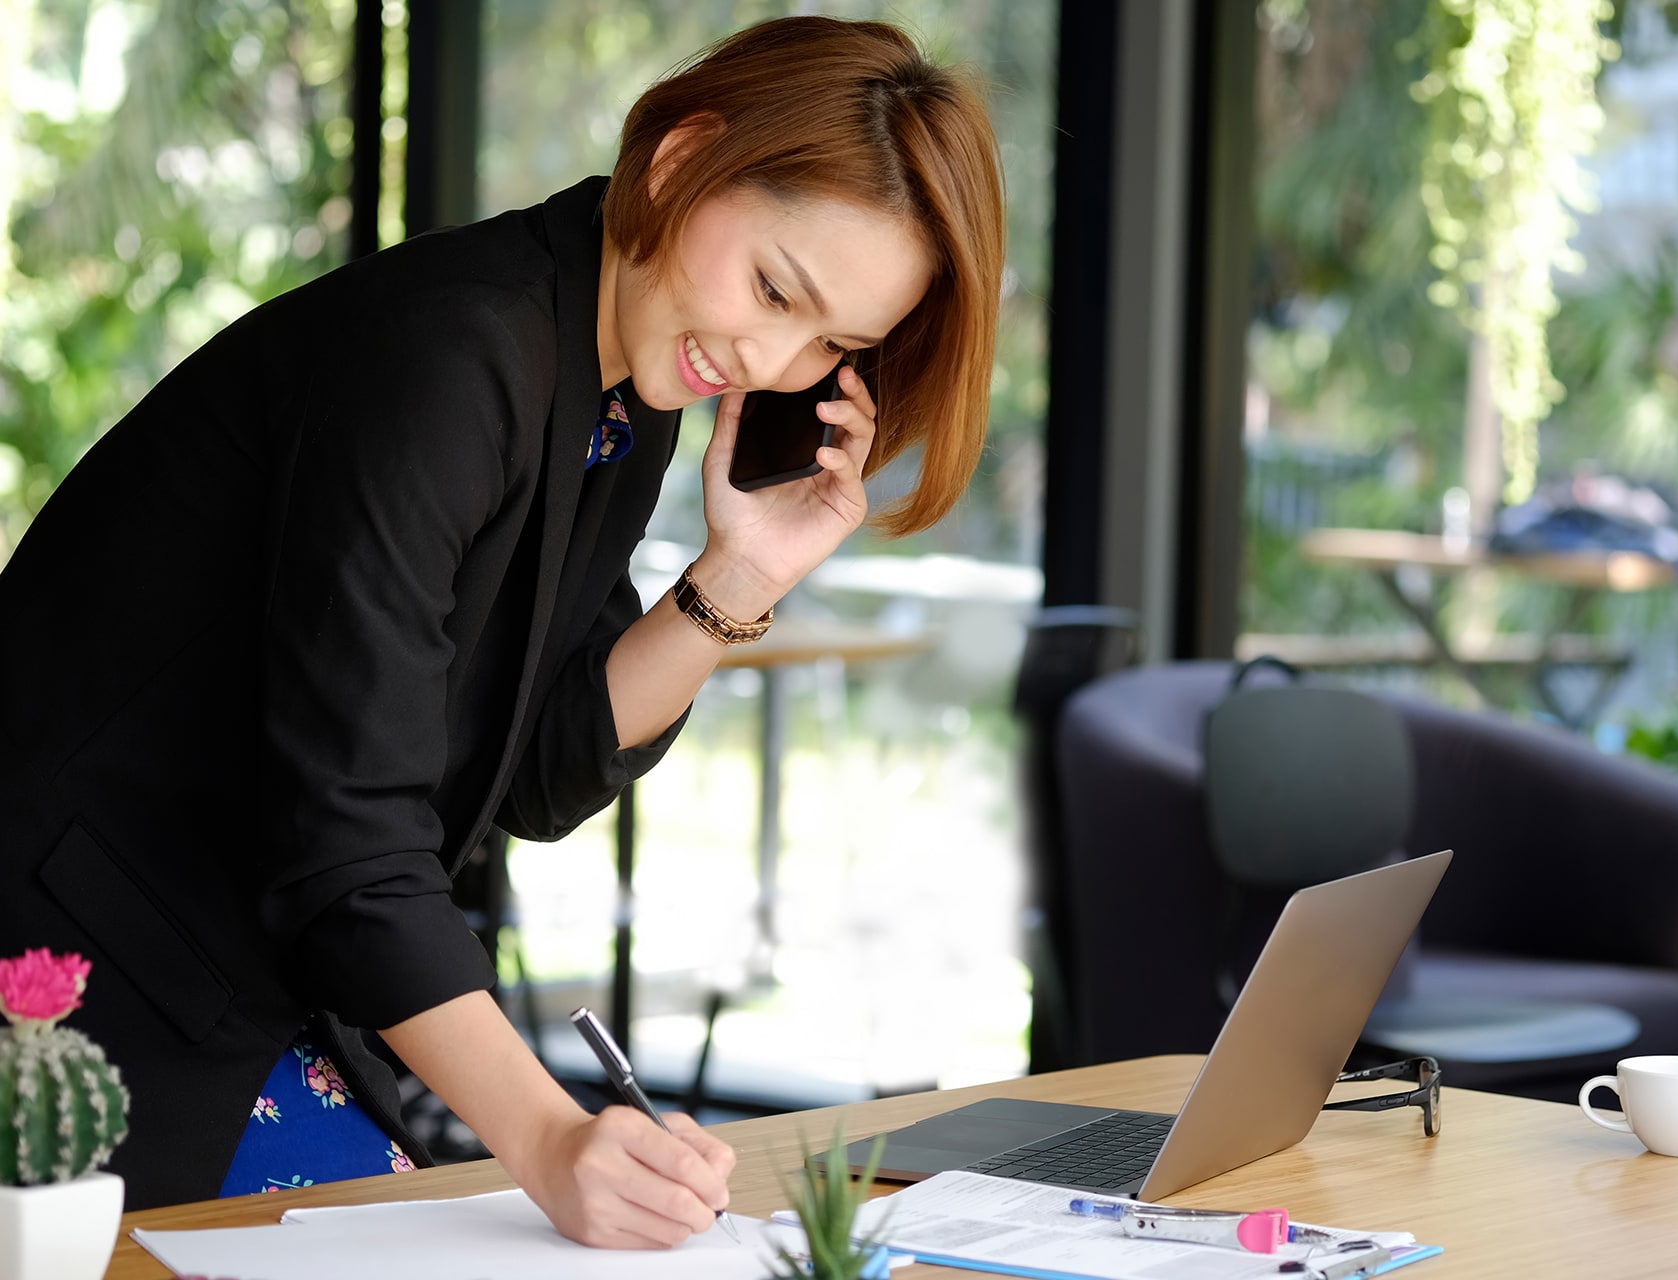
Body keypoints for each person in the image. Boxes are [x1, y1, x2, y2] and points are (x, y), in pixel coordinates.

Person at [0, 13, 1004, 1247]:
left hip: (232, 973)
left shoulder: (625, 386)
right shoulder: (455, 354)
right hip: (73, 973)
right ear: (683, 156)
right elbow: (350, 848)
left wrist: (736, 576)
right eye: (775, 290)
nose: (770, 361)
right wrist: (550, 1134)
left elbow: (530, 765)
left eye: (832, 345)